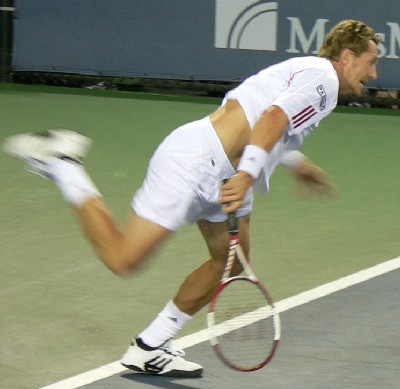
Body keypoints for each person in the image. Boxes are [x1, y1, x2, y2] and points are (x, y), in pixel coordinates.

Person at [3, 19, 380, 377]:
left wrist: (296, 163)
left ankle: (149, 346)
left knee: (231, 262)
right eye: (370, 62)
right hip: (195, 161)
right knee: (122, 259)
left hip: (222, 172)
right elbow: (272, 118)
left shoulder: (313, 76)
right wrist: (249, 172)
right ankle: (64, 162)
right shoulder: (324, 79)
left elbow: (268, 122)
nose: (374, 74)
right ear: (347, 57)